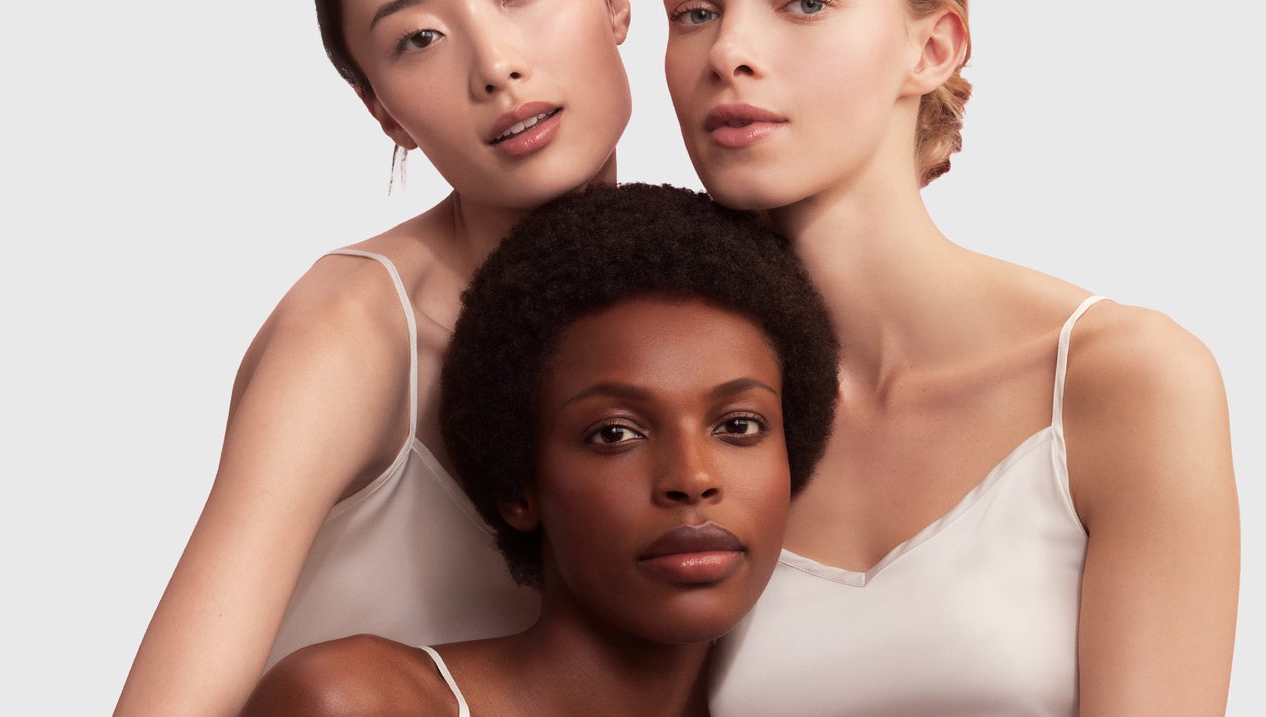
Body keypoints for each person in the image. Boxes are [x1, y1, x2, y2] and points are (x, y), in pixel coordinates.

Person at [658, 0, 1240, 714]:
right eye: (694, 11)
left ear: (932, 47)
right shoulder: (674, 422)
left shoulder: (1121, 381)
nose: (728, 51)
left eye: (804, 0)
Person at [115, 0, 636, 716]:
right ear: (383, 110)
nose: (497, 65)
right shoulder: (351, 330)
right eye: (418, 39)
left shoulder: (714, 296)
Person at [241, 182, 839, 717]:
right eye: (615, 434)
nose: (693, 478)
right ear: (519, 486)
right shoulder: (360, 705)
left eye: (738, 426)